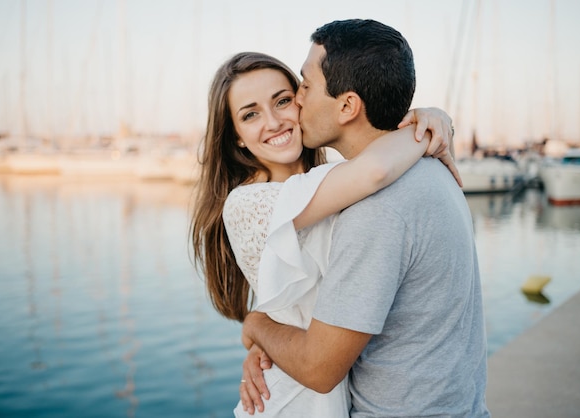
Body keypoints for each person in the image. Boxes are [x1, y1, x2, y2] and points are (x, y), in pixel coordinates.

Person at [240, 19, 491, 417]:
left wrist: (256, 326)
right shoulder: (431, 167)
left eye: (304, 85)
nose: (297, 100)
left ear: (347, 106)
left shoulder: (377, 210)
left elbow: (319, 368)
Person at [190, 50, 460, 416]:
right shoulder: (248, 204)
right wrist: (428, 125)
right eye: (250, 114)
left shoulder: (331, 180)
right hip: (291, 398)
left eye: (282, 101)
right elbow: (375, 170)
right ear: (237, 136)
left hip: (336, 387)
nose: (273, 122)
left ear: (301, 101)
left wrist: (437, 117)